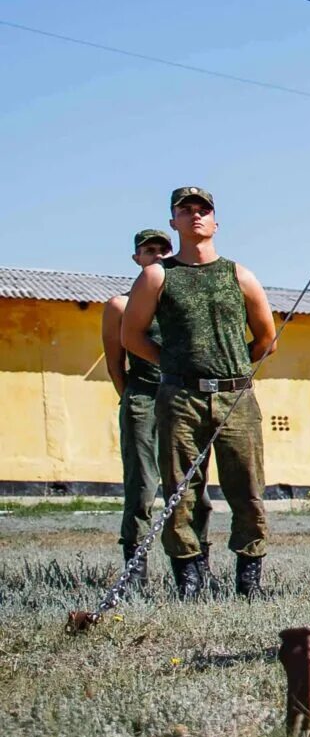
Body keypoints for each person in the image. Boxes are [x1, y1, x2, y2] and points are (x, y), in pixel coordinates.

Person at [119, 187, 278, 600]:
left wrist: (232, 368)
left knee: (246, 489)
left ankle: (249, 580)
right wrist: (171, 365)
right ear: (174, 222)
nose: (195, 216)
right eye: (185, 210)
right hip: (180, 397)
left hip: (235, 398)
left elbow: (266, 339)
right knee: (180, 491)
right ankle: (189, 578)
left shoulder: (238, 274)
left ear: (215, 222)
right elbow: (131, 335)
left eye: (203, 210)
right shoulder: (158, 275)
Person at [100, 226, 213, 584]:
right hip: (144, 395)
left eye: (163, 249)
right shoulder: (120, 304)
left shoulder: (179, 304)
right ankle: (135, 571)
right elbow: (115, 363)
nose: (157, 255)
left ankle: (199, 563)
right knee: (142, 485)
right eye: (149, 251)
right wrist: (132, 398)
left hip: (181, 397)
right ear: (137, 259)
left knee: (193, 484)